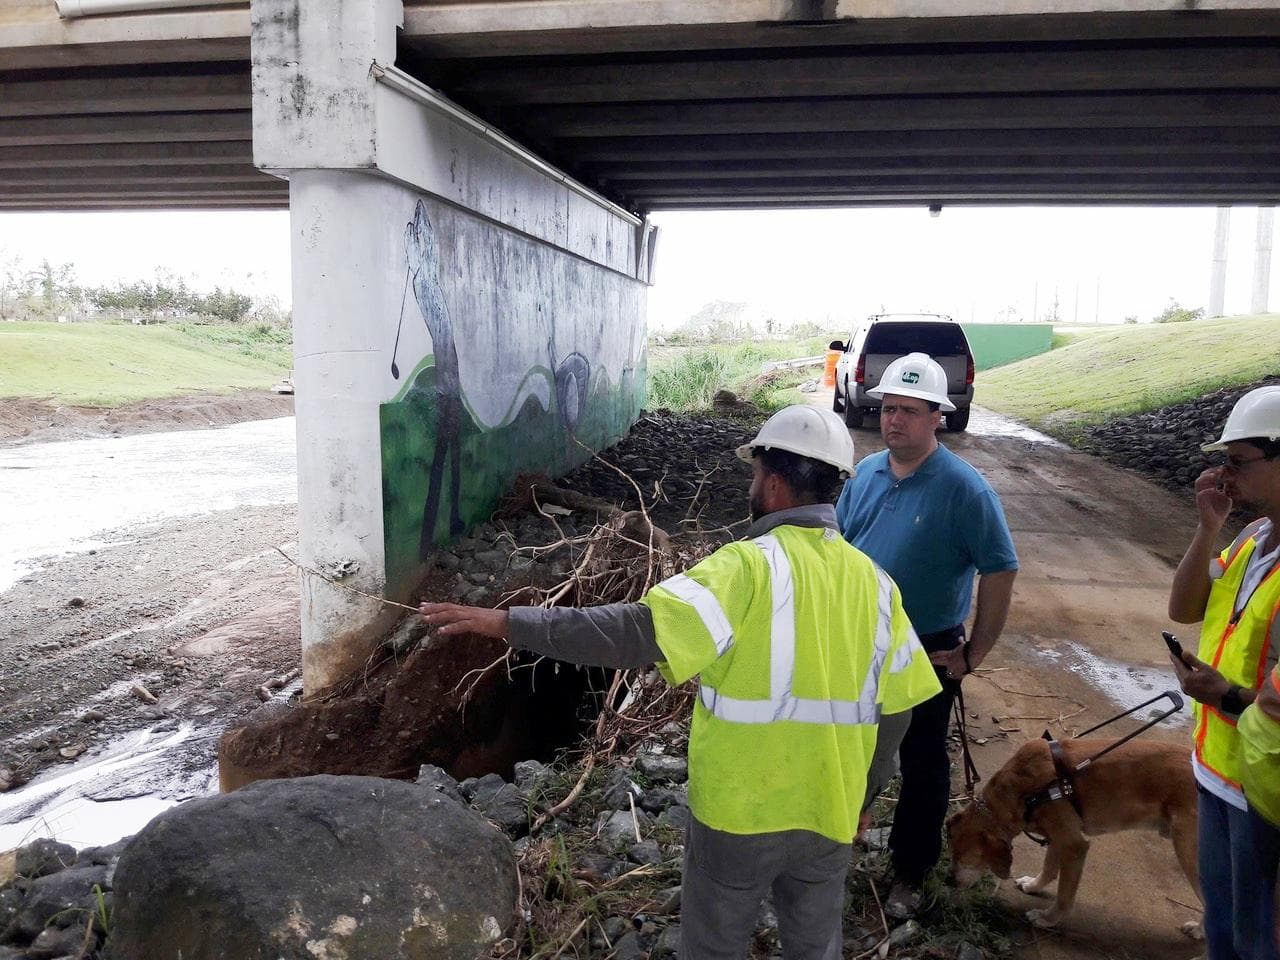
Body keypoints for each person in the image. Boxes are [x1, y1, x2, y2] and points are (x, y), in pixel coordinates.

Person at [420, 405, 942, 960]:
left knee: (713, 946)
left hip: (738, 816)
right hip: (830, 813)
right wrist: (865, 794)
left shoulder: (744, 568)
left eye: (754, 474)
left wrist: (509, 623)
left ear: (774, 482)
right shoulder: (876, 584)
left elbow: (635, 632)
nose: (751, 486)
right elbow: (898, 708)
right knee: (815, 947)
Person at [834, 352, 1018, 917]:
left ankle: (910, 870)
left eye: (910, 411)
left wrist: (973, 653)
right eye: (889, 408)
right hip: (856, 639)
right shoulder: (865, 474)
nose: (895, 420)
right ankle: (838, 840)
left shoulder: (966, 490)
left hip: (927, 647)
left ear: (938, 416)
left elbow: (1000, 568)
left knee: (921, 761)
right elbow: (836, 548)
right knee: (847, 745)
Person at [1168, 384, 1280, 960]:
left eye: (1238, 461)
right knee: (1223, 929)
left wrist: (1228, 695)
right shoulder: (1254, 538)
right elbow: (1184, 608)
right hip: (1215, 771)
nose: (1225, 474)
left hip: (1266, 792)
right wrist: (1208, 526)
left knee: (1258, 940)